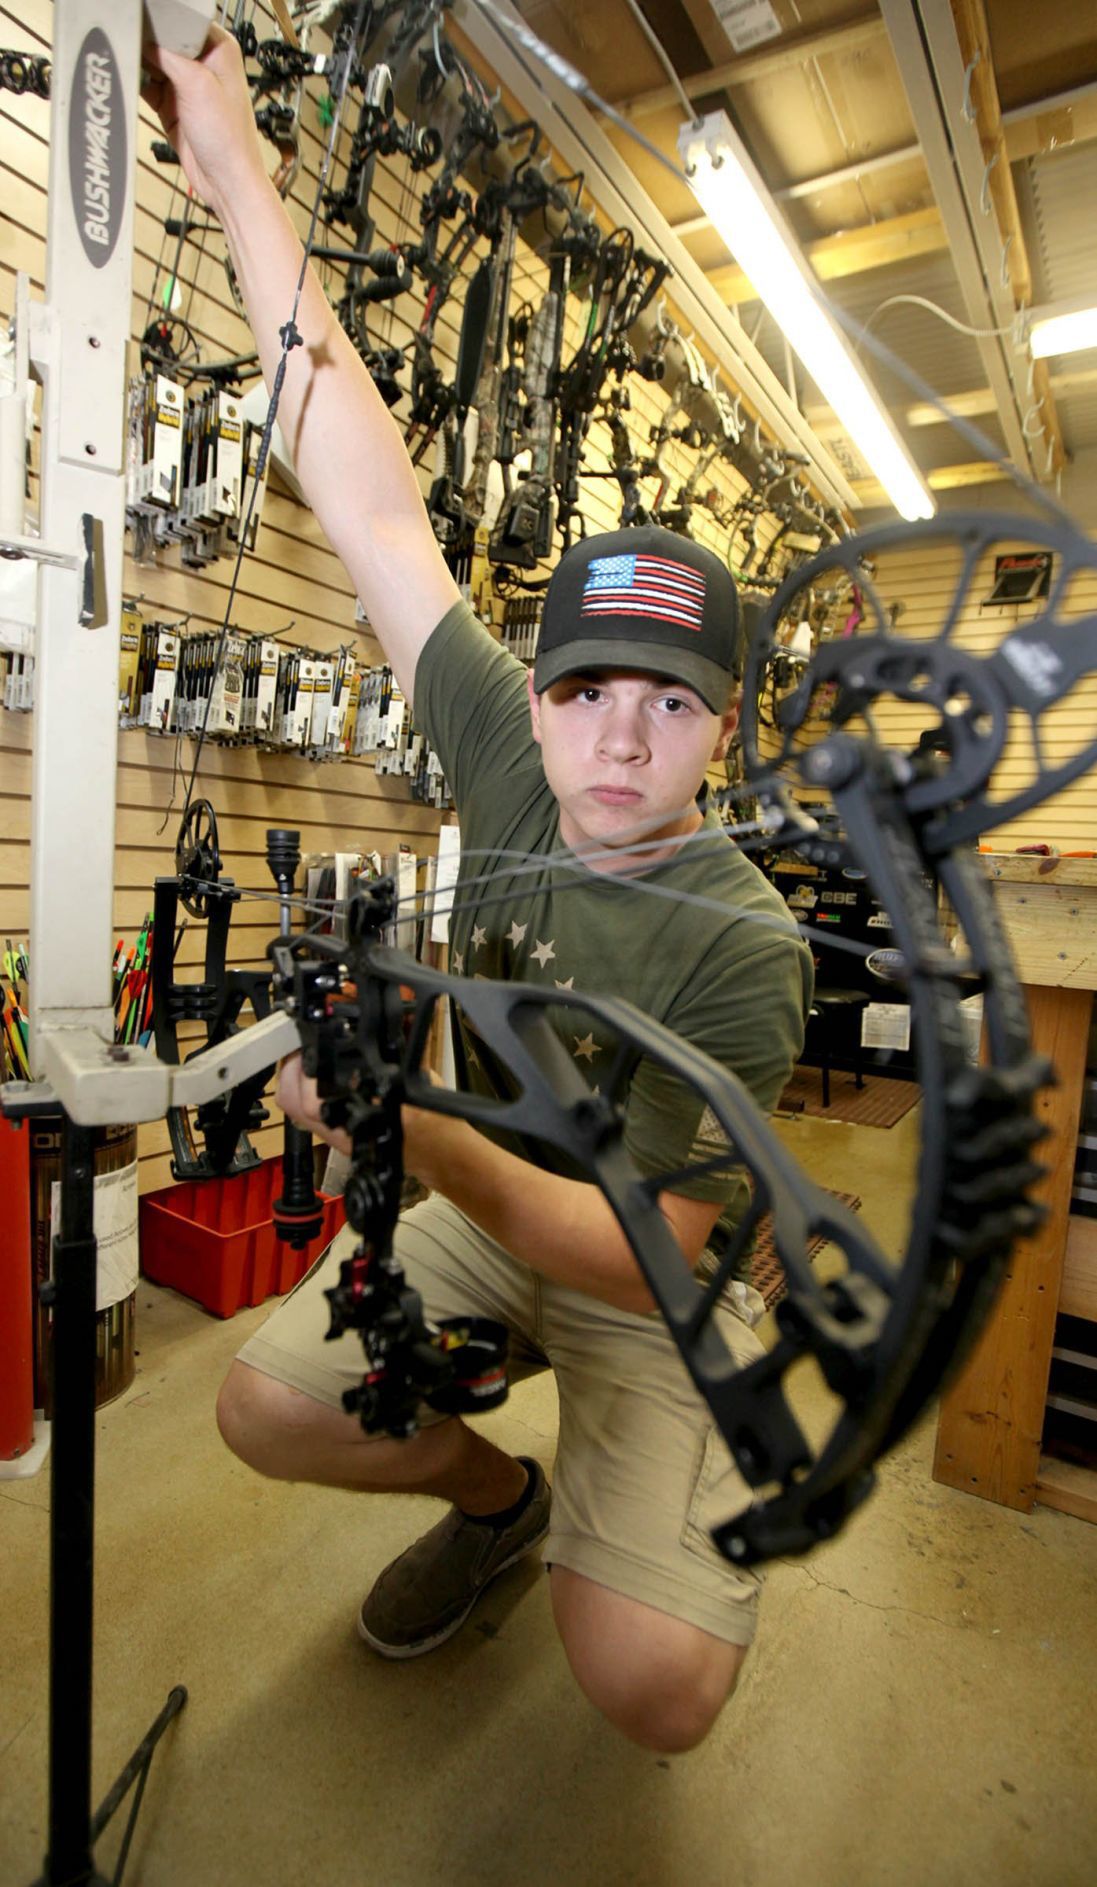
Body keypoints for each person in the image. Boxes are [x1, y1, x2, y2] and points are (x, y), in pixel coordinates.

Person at [145, 26, 813, 1754]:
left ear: (719, 728)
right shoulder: (513, 757)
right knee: (268, 1406)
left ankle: (628, 1487)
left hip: (649, 1272)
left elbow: (642, 1250)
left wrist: (411, 1130)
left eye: (669, 705)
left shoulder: (746, 948)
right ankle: (502, 1502)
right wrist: (230, 147)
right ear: (537, 694)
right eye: (586, 691)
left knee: (652, 1684)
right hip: (497, 1208)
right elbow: (360, 478)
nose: (619, 741)